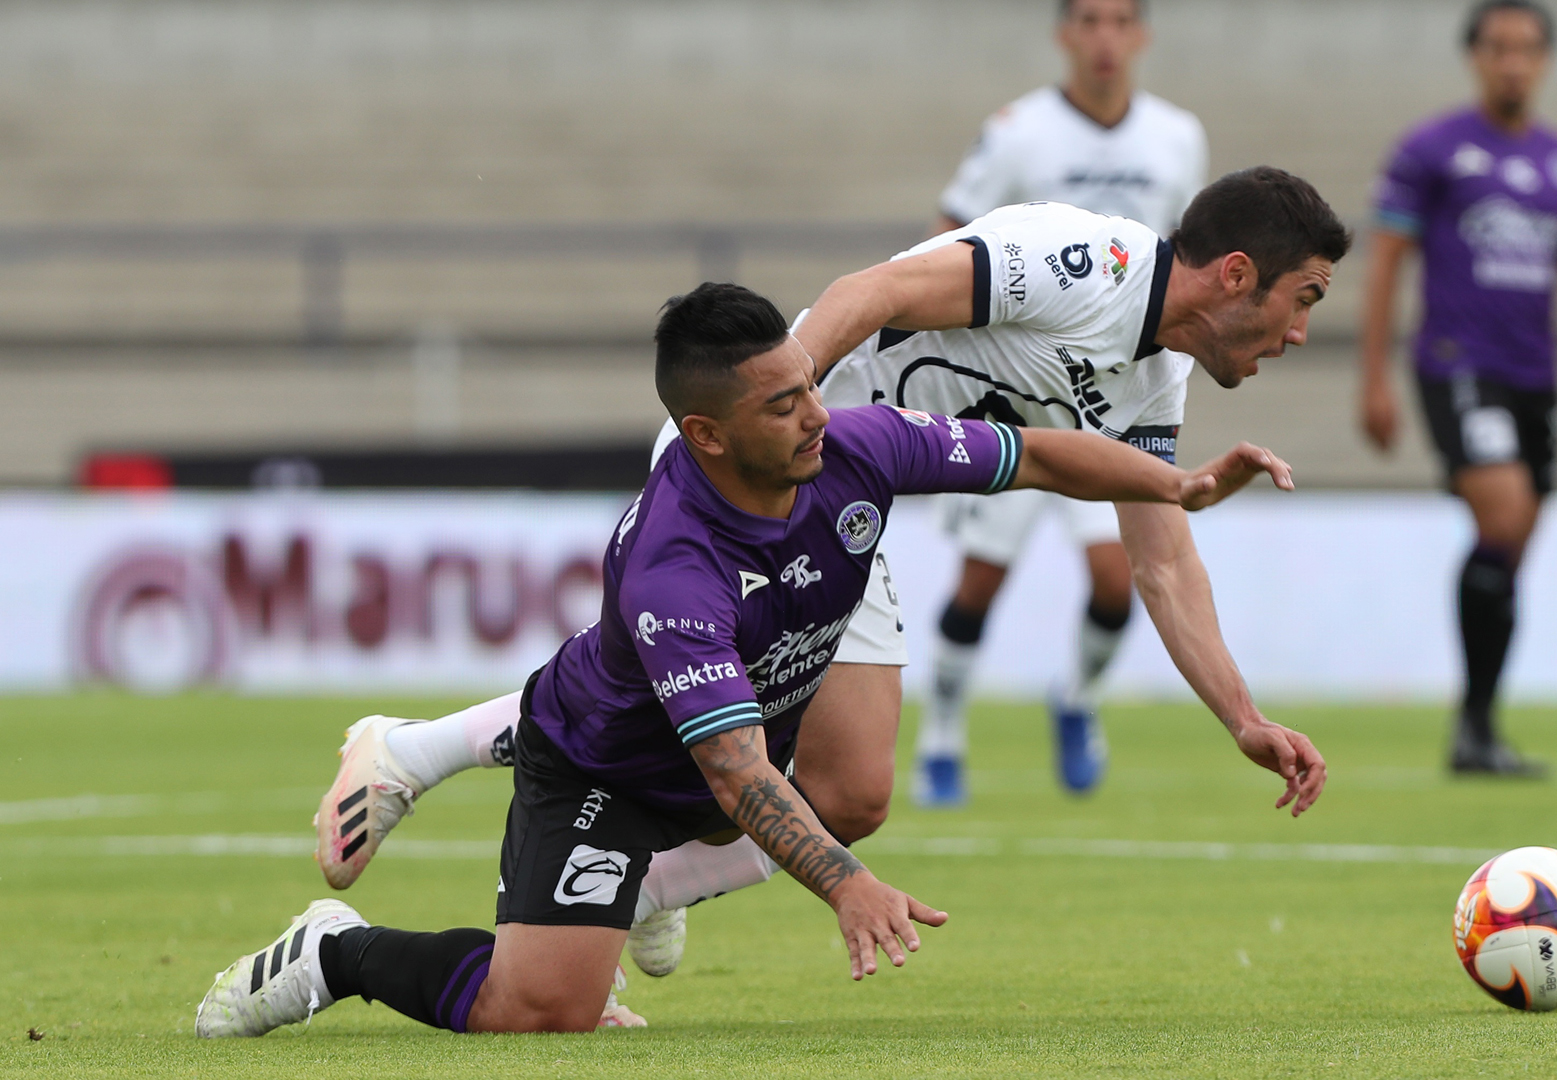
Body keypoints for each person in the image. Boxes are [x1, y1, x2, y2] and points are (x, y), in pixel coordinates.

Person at [315, 166, 1346, 989]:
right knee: (694, 735)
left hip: (849, 498)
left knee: (849, 791)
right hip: (757, 475)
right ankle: (412, 753)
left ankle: (634, 885)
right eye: (1302, 302)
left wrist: (1241, 716)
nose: (1299, 335)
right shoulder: (1087, 261)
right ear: (1236, 274)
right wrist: (775, 419)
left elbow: (1160, 553)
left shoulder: (1152, 379)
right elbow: (876, 292)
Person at [920, 0, 1209, 806]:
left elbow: (1188, 254)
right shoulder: (1019, 131)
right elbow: (952, 234)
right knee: (979, 582)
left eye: (1121, 20)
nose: (1105, 37)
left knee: (1117, 579)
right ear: (1064, 34)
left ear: (1142, 34)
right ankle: (942, 735)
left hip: (1109, 400)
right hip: (1009, 395)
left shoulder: (1176, 136)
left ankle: (1078, 700)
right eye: (1089, 20)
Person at [1356, 0, 1557, 776]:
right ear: (1475, 56)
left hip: (1535, 376)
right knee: (1505, 513)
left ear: (1545, 60)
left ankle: (1477, 727)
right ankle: (1474, 728)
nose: (1512, 61)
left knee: (1510, 547)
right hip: (1457, 363)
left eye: (1526, 48)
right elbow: (1385, 263)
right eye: (1498, 46)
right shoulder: (1432, 150)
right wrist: (1373, 376)